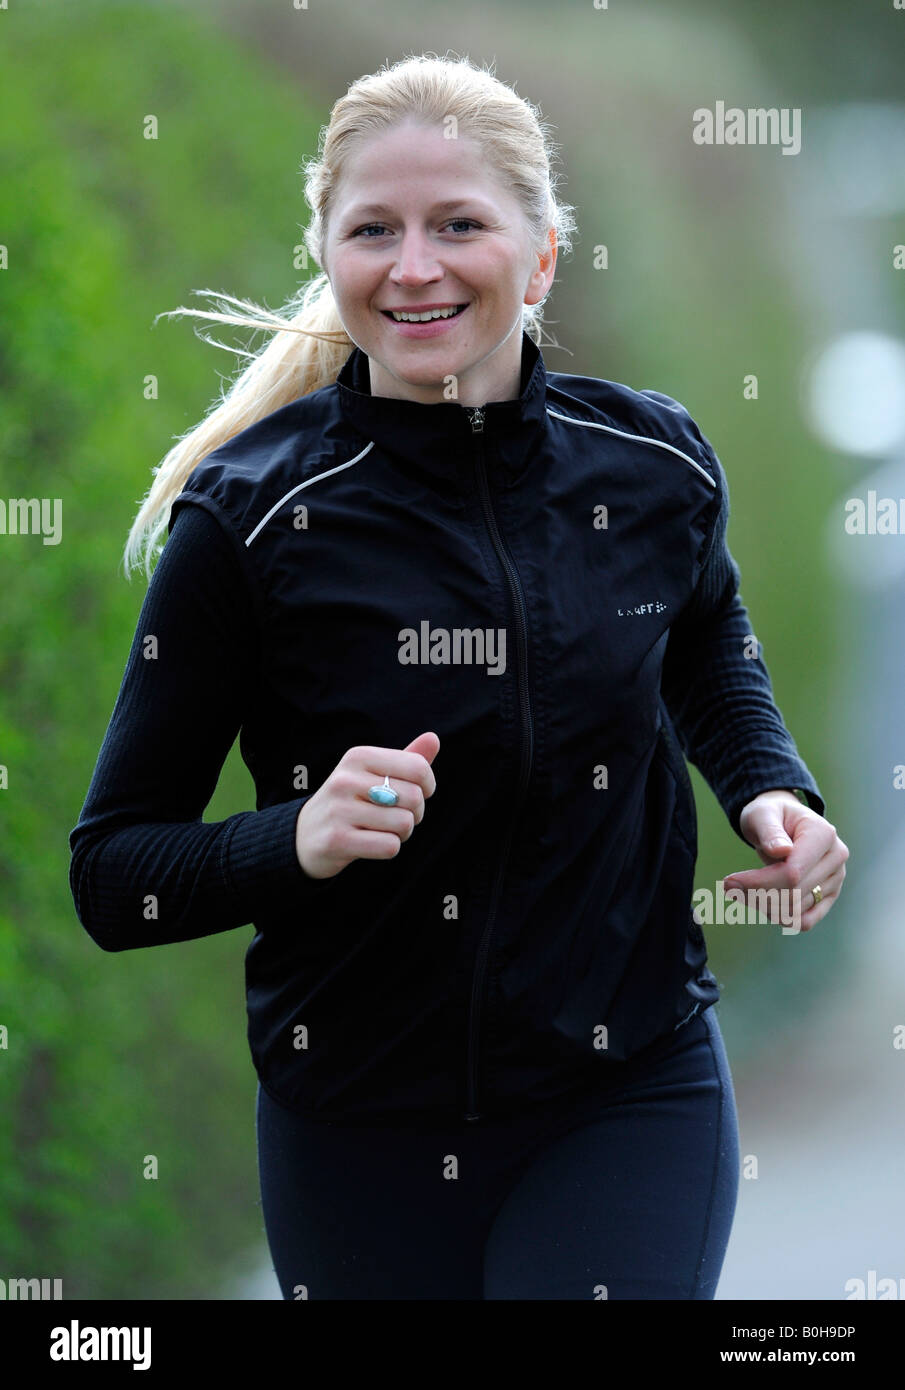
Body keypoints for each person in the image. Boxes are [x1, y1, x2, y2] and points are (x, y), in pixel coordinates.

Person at [69, 53, 849, 1300]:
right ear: (326, 251)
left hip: (625, 1086)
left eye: (459, 225)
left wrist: (770, 789)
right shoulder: (251, 524)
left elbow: (703, 641)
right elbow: (113, 877)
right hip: (356, 1125)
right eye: (373, 228)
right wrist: (297, 838)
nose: (414, 266)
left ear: (539, 257)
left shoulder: (653, 466)